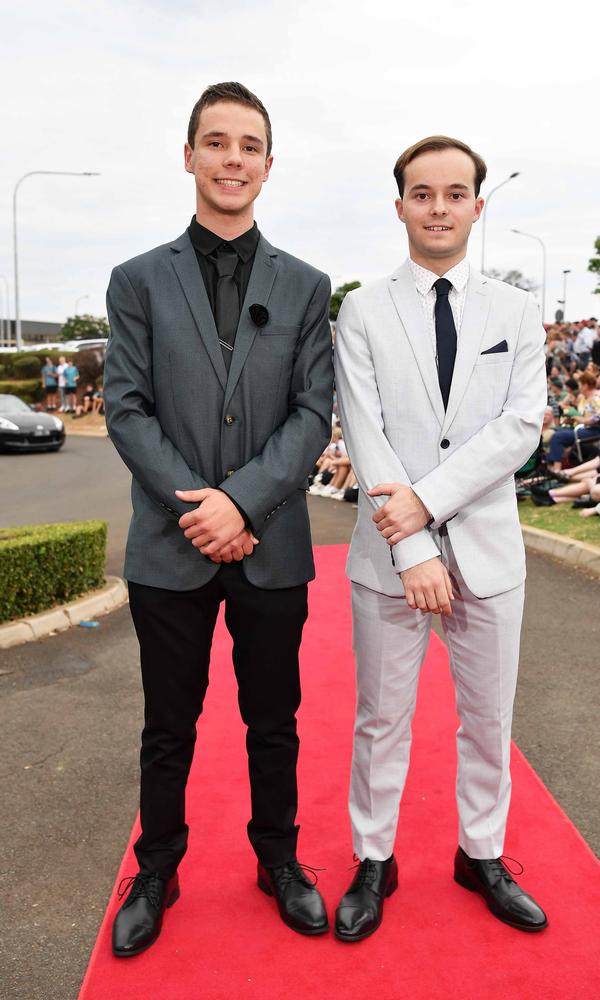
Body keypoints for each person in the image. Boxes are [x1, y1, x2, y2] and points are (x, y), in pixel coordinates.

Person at [104, 81, 333, 958]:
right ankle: (155, 869)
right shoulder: (136, 280)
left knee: (274, 720)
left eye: (250, 146)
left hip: (272, 545)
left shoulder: (308, 287)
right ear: (190, 154)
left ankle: (279, 859)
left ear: (269, 166)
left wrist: (242, 503)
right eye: (217, 142)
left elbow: (313, 414)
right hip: (171, 549)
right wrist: (201, 509)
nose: (233, 158)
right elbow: (126, 410)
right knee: (169, 725)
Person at [334, 134, 548, 941]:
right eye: (422, 194)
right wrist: (414, 545)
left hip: (490, 551)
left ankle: (481, 854)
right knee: (381, 718)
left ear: (477, 207)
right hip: (389, 556)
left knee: (489, 720)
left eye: (455, 194)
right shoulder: (361, 307)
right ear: (400, 207)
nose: (438, 208)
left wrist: (427, 507)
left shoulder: (516, 310)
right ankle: (373, 858)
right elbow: (365, 430)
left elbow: (518, 427)